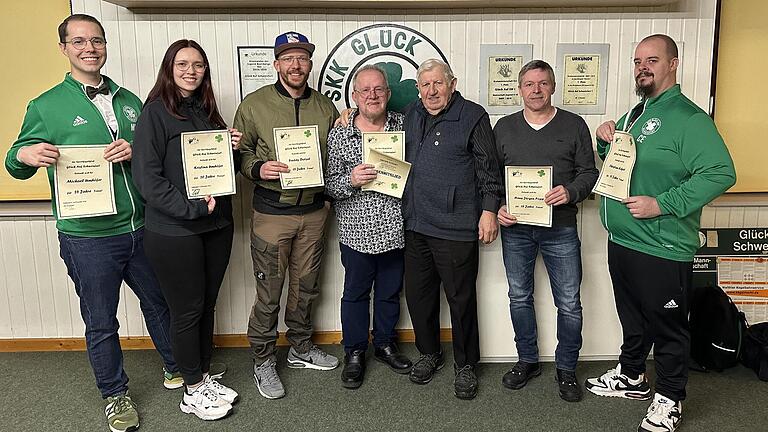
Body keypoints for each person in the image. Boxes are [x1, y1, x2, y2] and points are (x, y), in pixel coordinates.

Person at [4, 14, 179, 432]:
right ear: (63, 48)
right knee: (101, 320)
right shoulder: (45, 106)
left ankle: (179, 367)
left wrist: (136, 151)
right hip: (88, 237)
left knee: (159, 303)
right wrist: (24, 156)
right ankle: (115, 394)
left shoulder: (130, 100)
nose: (90, 48)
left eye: (97, 40)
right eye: (79, 41)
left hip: (139, 227)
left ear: (105, 46)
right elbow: (16, 160)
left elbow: (152, 156)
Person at [584, 34, 736, 432]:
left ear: (673, 64)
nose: (642, 68)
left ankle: (670, 398)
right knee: (633, 318)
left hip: (663, 245)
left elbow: (721, 173)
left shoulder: (689, 118)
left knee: (668, 327)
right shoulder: (636, 114)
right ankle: (632, 375)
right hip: (623, 240)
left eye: (652, 59)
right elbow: (626, 166)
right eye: (637, 61)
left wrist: (662, 203)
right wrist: (606, 144)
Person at [132, 39, 240, 421]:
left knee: (206, 305)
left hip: (217, 226)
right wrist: (190, 208)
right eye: (183, 64)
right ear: (169, 67)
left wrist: (234, 148)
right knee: (187, 310)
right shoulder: (155, 114)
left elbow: (217, 170)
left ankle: (203, 375)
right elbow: (148, 179)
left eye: (198, 65)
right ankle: (192, 389)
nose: (191, 71)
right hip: (175, 230)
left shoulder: (208, 113)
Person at [233, 31, 340, 400]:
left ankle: (300, 347)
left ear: (310, 64)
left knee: (306, 288)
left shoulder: (325, 107)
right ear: (277, 64)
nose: (296, 65)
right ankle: (263, 359)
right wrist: (258, 168)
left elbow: (336, 156)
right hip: (271, 214)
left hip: (313, 213)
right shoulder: (254, 104)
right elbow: (239, 154)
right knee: (270, 291)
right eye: (288, 59)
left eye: (303, 58)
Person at [493, 60, 598, 402]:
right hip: (517, 230)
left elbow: (589, 174)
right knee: (519, 296)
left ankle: (566, 368)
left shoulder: (574, 125)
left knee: (568, 303)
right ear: (519, 89)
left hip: (561, 228)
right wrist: (497, 208)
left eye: (542, 83)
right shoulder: (504, 127)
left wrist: (570, 191)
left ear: (553, 87)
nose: (535, 90)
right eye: (528, 84)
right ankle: (528, 360)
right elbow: (492, 178)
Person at [402, 58, 504, 400]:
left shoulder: (473, 116)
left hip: (455, 227)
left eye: (438, 83)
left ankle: (465, 364)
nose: (431, 91)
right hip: (416, 224)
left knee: (460, 300)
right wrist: (346, 114)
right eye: (425, 84)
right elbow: (371, 116)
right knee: (419, 297)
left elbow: (490, 170)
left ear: (452, 83)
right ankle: (429, 353)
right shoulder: (412, 113)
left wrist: (489, 210)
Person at [326, 64, 413, 389]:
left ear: (388, 94)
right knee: (356, 294)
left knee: (391, 293)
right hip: (356, 230)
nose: (373, 95)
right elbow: (329, 185)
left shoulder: (405, 127)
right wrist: (350, 180)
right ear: (354, 96)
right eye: (365, 90)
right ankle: (355, 351)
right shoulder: (340, 133)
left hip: (395, 227)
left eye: (379, 89)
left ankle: (385, 344)